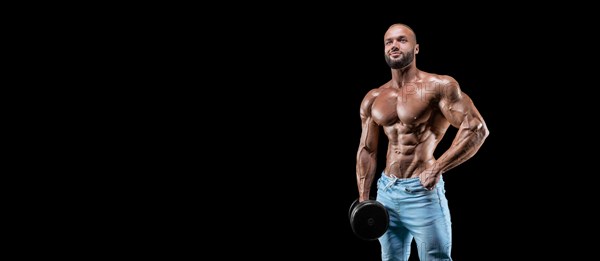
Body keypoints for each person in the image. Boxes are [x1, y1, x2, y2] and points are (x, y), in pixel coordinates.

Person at [355, 23, 489, 261]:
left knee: (435, 258)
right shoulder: (374, 97)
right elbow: (367, 149)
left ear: (416, 48)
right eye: (389, 42)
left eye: (401, 40)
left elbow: (476, 128)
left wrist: (438, 168)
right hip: (385, 193)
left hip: (422, 193)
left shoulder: (439, 87)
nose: (394, 45)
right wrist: (365, 199)